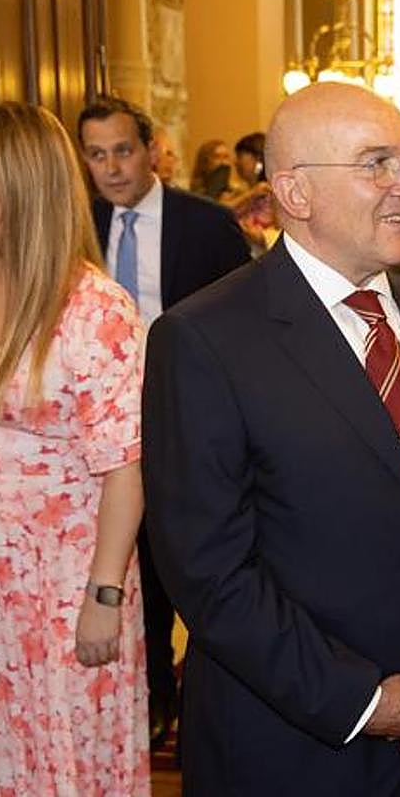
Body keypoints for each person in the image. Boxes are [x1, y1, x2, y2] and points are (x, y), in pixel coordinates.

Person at [141, 82, 400, 796]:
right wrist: (366, 701)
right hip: (289, 744)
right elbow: (209, 571)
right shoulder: (203, 339)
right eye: (377, 164)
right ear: (295, 192)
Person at [0, 102, 149, 793]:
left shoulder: (94, 309)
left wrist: (104, 593)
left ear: (20, 183)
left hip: (61, 586)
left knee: (62, 759)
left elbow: (124, 466)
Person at [77, 95, 250, 751]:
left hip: (193, 419)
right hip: (105, 429)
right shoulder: (77, 224)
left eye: (123, 151)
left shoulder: (206, 224)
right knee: (132, 563)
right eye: (97, 155)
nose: (112, 168)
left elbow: (243, 322)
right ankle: (153, 697)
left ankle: (216, 694)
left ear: (150, 150)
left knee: (200, 561)